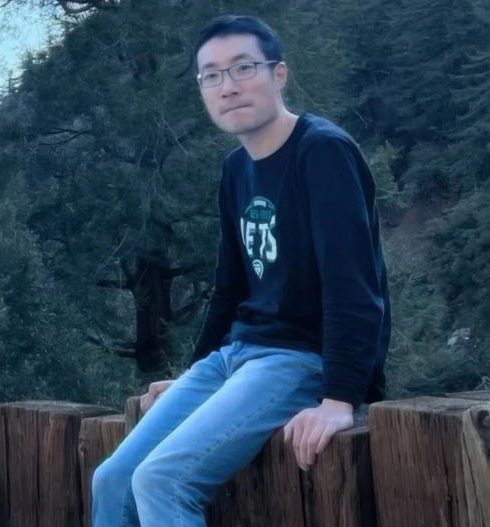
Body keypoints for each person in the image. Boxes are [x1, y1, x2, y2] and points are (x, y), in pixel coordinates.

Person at [91, 14, 391, 527]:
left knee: (163, 480)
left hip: (298, 359)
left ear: (279, 74)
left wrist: (340, 398)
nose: (227, 86)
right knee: (112, 478)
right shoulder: (236, 169)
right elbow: (230, 287)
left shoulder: (322, 151)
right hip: (234, 358)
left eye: (243, 68)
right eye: (211, 75)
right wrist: (194, 374)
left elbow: (353, 284)